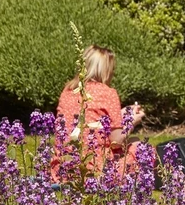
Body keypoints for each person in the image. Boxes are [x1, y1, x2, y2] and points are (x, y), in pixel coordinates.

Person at [51, 45, 146, 181]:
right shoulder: (108, 93)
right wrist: (131, 122)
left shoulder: (68, 91)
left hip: (62, 169)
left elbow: (91, 117)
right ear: (106, 71)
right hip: (95, 170)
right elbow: (116, 141)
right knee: (140, 147)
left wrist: (121, 114)